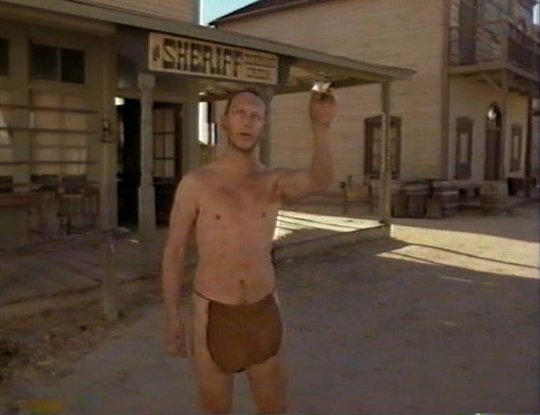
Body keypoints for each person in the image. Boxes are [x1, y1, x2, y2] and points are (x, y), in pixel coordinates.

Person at [162, 86, 337, 414]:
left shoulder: (273, 182)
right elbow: (174, 251)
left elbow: (320, 180)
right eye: (240, 113)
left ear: (263, 126)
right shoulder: (197, 183)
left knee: (273, 407)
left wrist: (321, 126)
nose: (247, 121)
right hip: (213, 312)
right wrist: (172, 316)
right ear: (224, 121)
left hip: (262, 310)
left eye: (256, 116)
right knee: (214, 409)